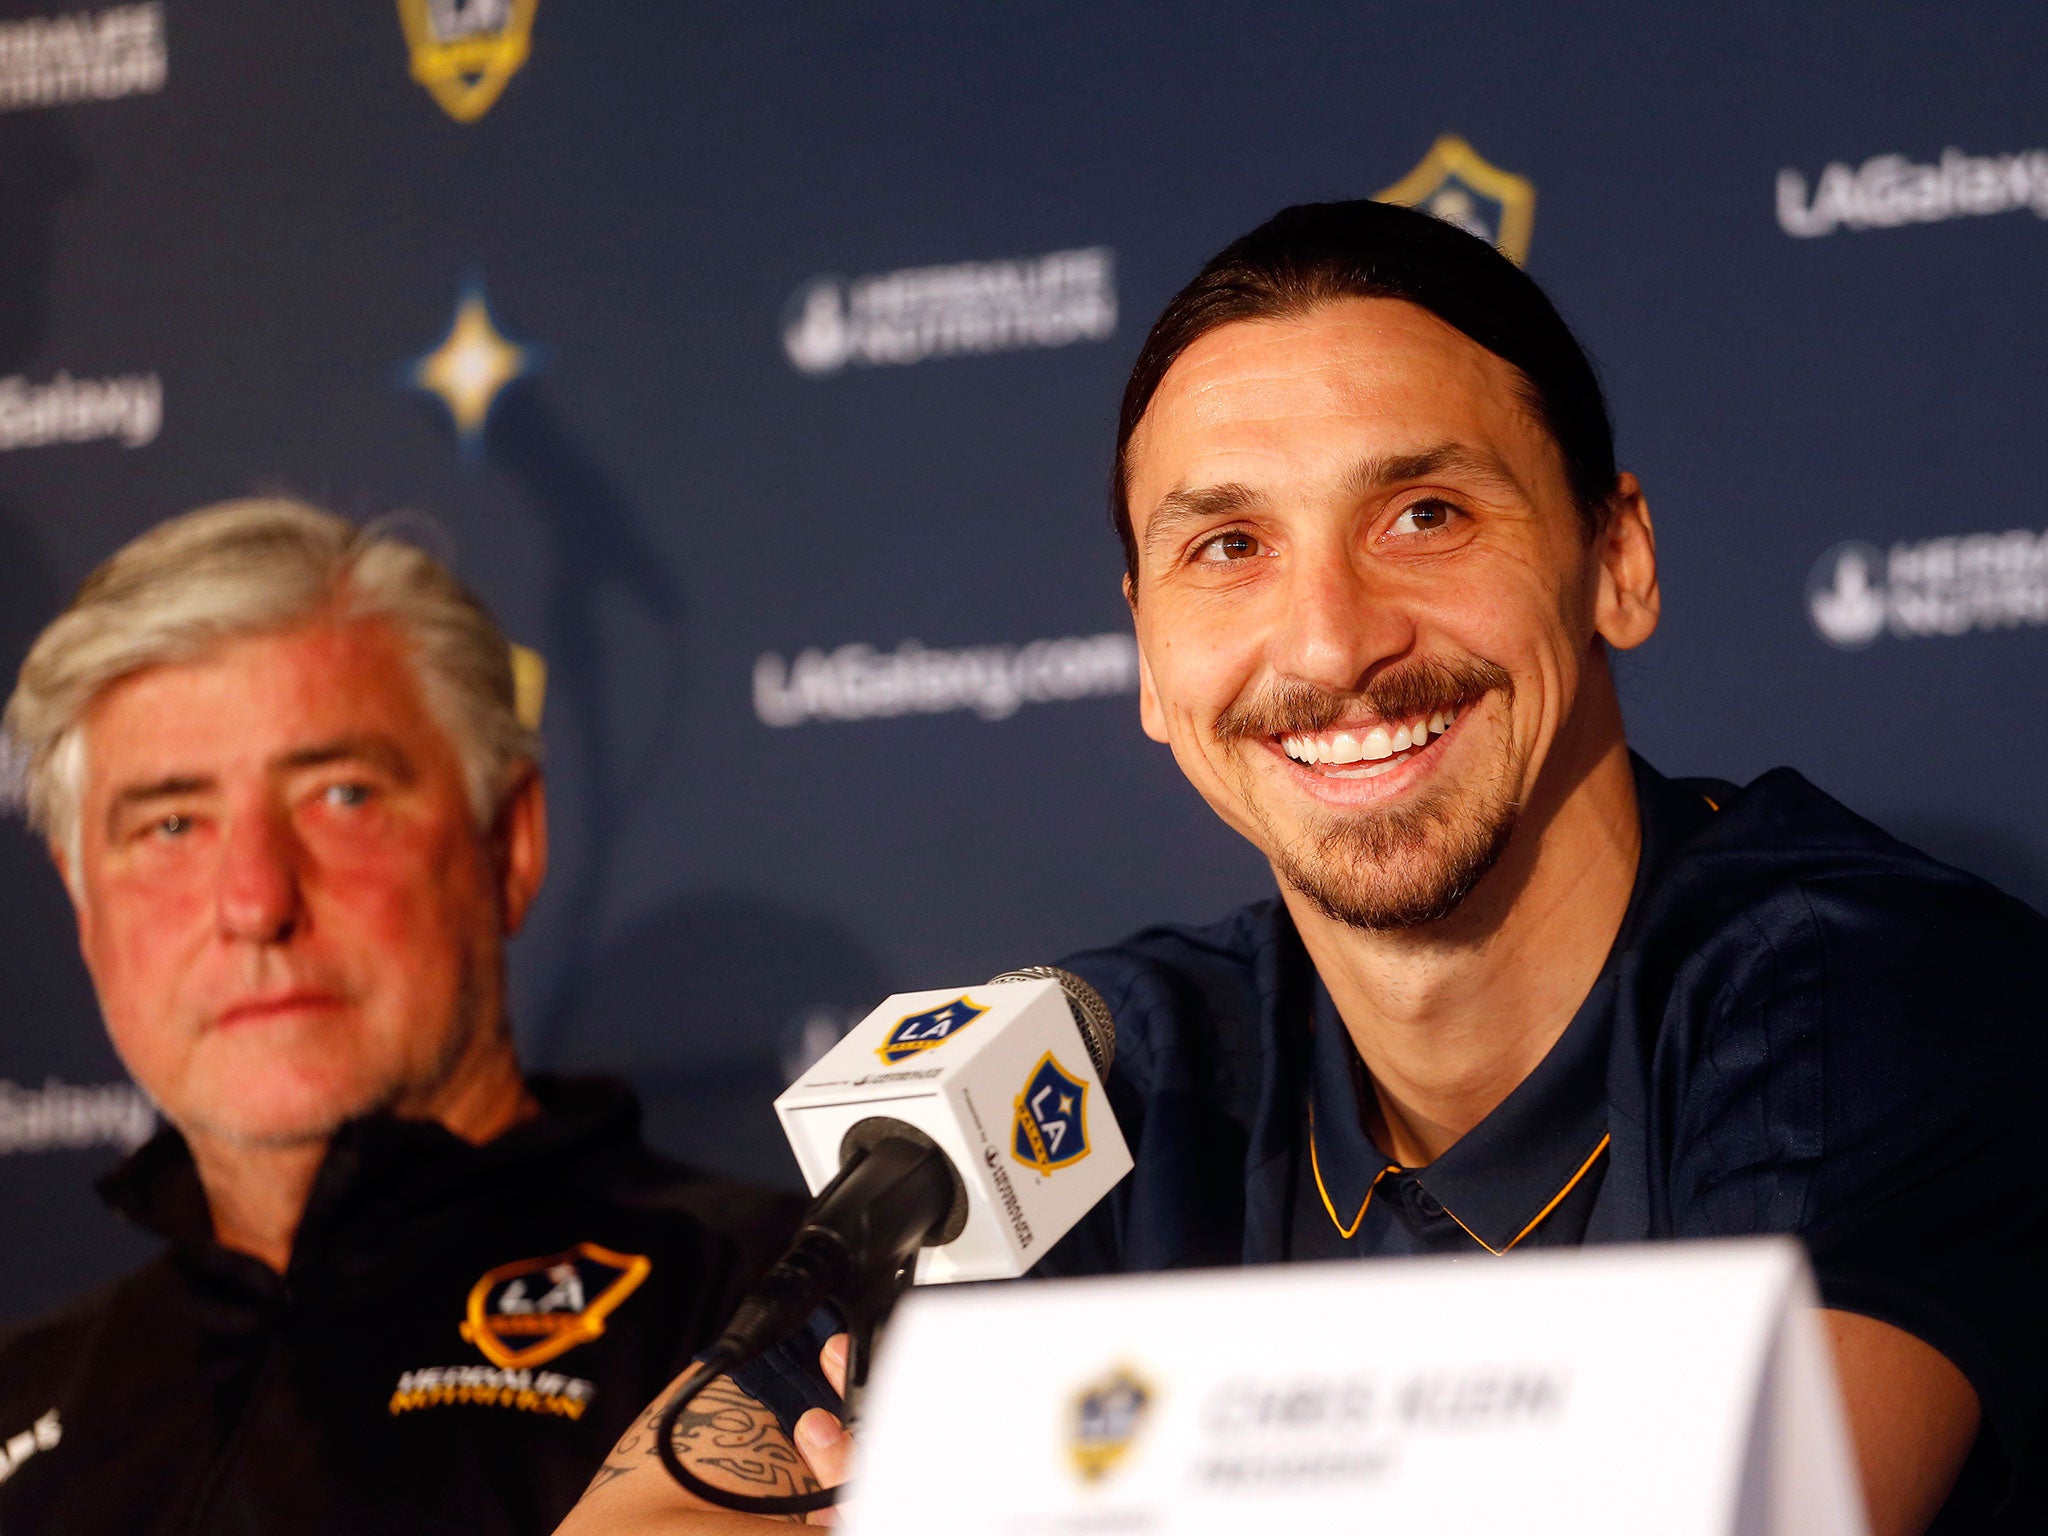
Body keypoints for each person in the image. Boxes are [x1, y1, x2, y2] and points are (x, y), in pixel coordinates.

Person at [558, 200, 2048, 1536]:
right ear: (1146, 655)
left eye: (1425, 516)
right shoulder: (1103, 1076)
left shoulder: (1875, 997)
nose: (1334, 641)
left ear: (1618, 560)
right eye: (1228, 548)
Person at [0, 501, 804, 1536]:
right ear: (80, 899)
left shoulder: (770, 1319)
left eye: (339, 797)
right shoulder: (29, 1393)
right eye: (170, 824)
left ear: (507, 843)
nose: (254, 903)